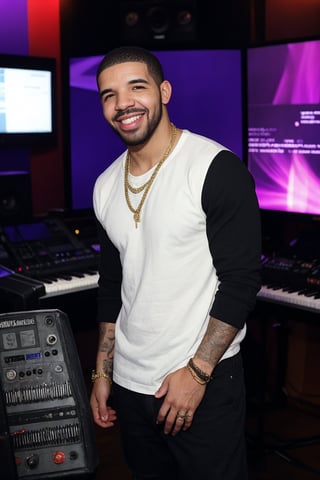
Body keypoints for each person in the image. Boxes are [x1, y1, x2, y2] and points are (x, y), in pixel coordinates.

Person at [90, 45, 261, 480]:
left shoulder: (214, 168)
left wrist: (197, 374)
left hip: (200, 384)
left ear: (163, 91)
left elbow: (240, 281)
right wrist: (102, 372)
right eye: (109, 94)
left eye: (136, 87)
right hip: (130, 385)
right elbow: (113, 285)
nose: (123, 103)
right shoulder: (105, 185)